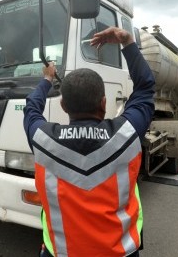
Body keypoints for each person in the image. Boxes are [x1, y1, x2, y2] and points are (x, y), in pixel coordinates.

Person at [23, 27, 155, 257]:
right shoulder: (127, 133)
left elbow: (31, 108)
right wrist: (127, 42)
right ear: (104, 103)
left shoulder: (43, 139)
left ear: (63, 106)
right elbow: (145, 87)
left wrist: (47, 79)